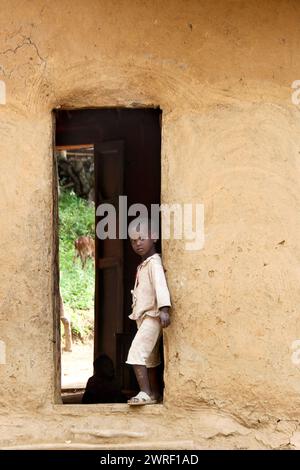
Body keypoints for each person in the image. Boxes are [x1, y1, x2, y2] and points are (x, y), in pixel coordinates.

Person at [126, 218, 171, 405]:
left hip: (153, 316)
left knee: (136, 352)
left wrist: (164, 309)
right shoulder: (143, 265)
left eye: (141, 238)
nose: (137, 243)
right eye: (133, 240)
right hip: (143, 317)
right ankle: (154, 394)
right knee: (151, 359)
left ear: (154, 237)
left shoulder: (154, 263)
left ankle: (144, 392)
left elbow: (160, 285)